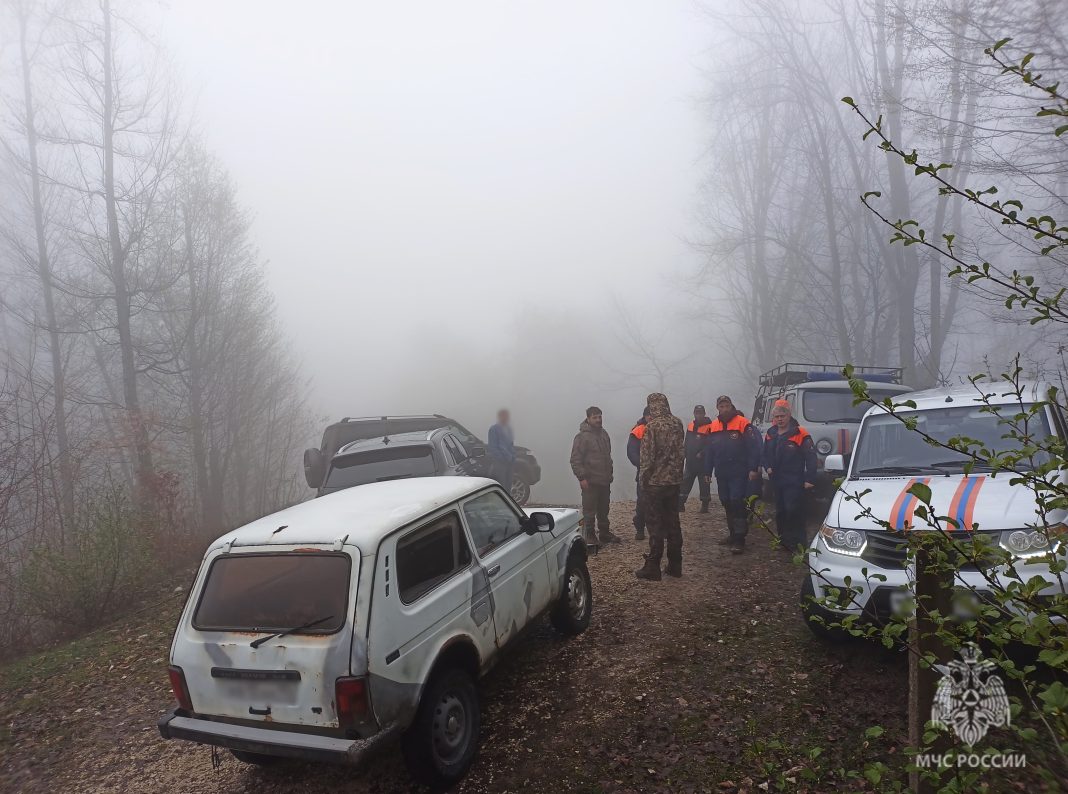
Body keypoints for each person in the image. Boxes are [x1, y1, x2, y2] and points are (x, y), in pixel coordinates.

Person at [635, 393, 686, 580]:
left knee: (655, 525)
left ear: (651, 406)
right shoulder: (678, 423)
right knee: (673, 523)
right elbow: (681, 452)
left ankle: (653, 567)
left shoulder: (652, 426)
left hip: (655, 484)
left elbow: (647, 458)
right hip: (673, 482)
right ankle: (675, 565)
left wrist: (643, 479)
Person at [703, 395, 762, 554]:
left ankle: (739, 539)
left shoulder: (743, 423)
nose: (724, 409)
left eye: (726, 406)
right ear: (718, 408)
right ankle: (732, 534)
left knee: (737, 502)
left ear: (731, 406)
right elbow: (709, 451)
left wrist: (753, 468)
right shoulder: (713, 426)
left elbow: (753, 447)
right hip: (722, 472)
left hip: (739, 471)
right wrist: (707, 471)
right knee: (726, 502)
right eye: (721, 406)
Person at [762, 400, 817, 550]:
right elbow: (765, 454)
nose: (780, 419)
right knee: (780, 511)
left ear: (789, 416)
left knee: (794, 510)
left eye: (782, 416)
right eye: (777, 416)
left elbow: (811, 457)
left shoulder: (800, 433)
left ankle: (799, 544)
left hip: (794, 479)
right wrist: (767, 468)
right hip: (776, 479)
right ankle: (783, 540)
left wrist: (810, 478)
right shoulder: (770, 433)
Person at [570, 406, 619, 545]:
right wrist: (581, 478)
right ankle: (590, 536)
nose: (598, 420)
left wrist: (610, 473)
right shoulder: (581, 437)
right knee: (589, 511)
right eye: (595, 417)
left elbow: (607, 456)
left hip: (604, 480)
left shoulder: (604, 434)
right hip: (590, 481)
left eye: (600, 416)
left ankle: (604, 533)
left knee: (604, 510)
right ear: (588, 418)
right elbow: (575, 459)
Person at [678, 404, 713, 512]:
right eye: (697, 413)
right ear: (694, 413)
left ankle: (705, 505)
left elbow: (711, 444)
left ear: (704, 413)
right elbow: (686, 441)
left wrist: (702, 453)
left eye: (701, 413)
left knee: (704, 484)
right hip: (690, 460)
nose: (699, 415)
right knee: (685, 482)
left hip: (703, 462)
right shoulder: (690, 425)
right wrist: (684, 452)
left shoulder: (710, 426)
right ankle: (680, 504)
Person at [627, 406, 652, 541]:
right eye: (649, 415)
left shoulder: (662, 428)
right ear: (645, 416)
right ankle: (640, 529)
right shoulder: (638, 431)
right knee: (642, 502)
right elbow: (631, 452)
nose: (651, 417)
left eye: (653, 415)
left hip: (661, 474)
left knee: (660, 503)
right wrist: (643, 465)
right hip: (643, 472)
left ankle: (659, 529)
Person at [487, 409, 516, 492]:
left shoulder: (509, 429)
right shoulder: (494, 429)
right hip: (500, 463)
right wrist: (501, 458)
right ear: (499, 417)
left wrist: (513, 456)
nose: (506, 418)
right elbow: (493, 447)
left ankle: (508, 503)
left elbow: (511, 444)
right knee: (501, 485)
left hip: (510, 462)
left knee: (508, 485)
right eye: (504, 416)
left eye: (507, 416)